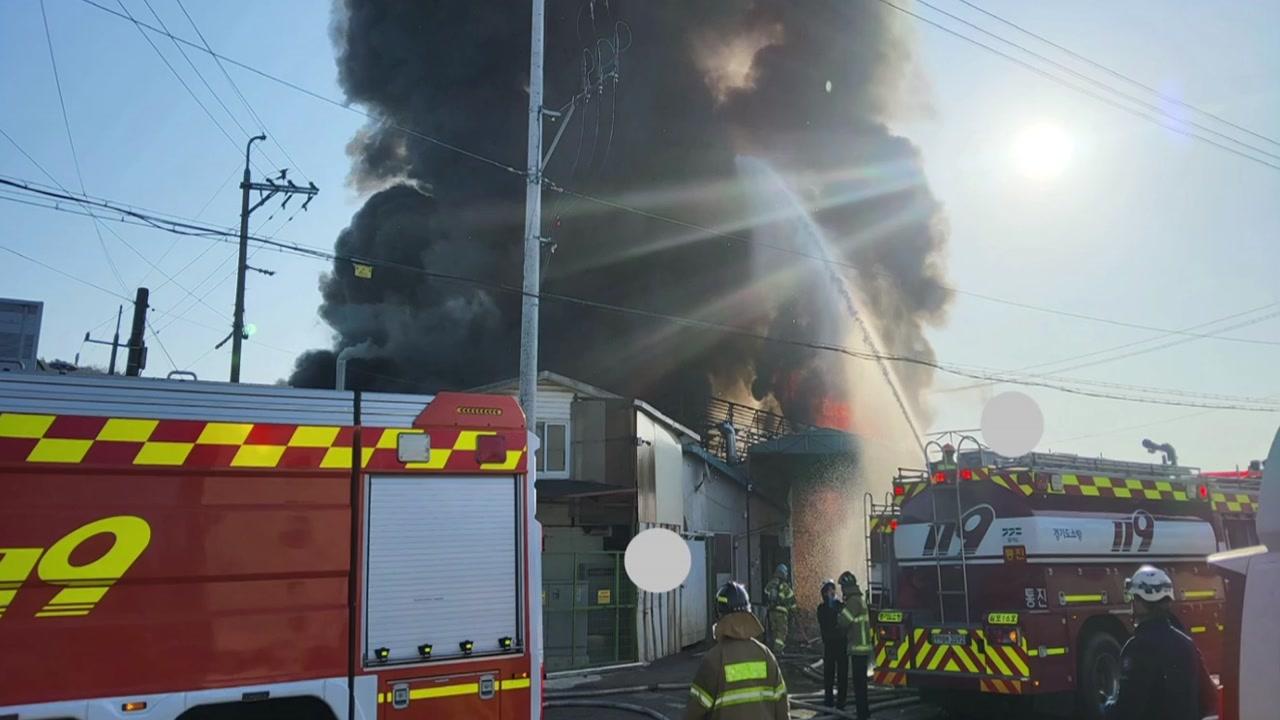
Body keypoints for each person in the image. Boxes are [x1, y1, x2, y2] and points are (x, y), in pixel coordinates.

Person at [1102, 565, 1218, 720]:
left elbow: (1127, 711)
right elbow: (1210, 699)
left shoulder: (1135, 649)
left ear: (1139, 602)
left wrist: (1105, 707)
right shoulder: (1187, 644)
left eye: (1134, 598)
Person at [683, 581, 790, 720]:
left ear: (719, 613)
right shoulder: (766, 655)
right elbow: (782, 708)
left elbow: (694, 713)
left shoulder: (714, 660)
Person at [836, 571, 873, 719]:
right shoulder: (858, 599)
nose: (842, 591)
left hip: (858, 649)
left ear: (846, 587)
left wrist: (838, 611)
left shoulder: (853, 601)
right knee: (861, 685)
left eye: (842, 587)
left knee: (859, 687)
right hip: (862, 649)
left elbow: (843, 622)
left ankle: (862, 715)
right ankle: (863, 713)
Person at [816, 579, 849, 710]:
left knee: (843, 676)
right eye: (829, 590)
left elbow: (846, 619)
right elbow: (825, 621)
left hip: (841, 645)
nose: (832, 592)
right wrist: (832, 606)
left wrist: (838, 605)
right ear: (824, 593)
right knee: (829, 677)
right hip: (829, 646)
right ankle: (828, 703)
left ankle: (841, 704)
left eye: (833, 589)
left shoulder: (840, 606)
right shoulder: (822, 609)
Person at [762, 563, 797, 654]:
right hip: (781, 613)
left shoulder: (770, 584)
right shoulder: (785, 587)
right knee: (781, 632)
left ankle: (772, 651)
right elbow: (792, 600)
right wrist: (794, 612)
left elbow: (765, 595)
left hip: (771, 612)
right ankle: (778, 652)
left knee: (773, 632)